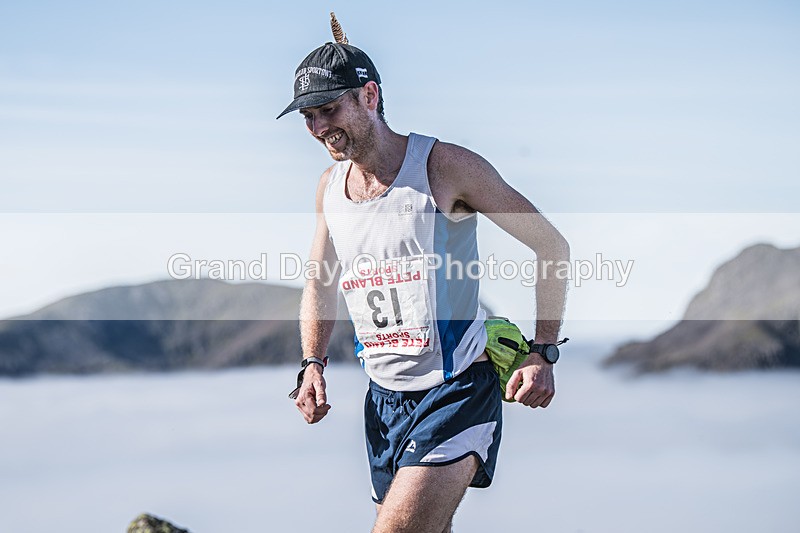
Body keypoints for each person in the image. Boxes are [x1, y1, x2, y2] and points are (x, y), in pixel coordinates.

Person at [277, 19, 569, 533]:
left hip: (457, 391)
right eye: (309, 116)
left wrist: (543, 350)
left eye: (329, 109)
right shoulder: (329, 187)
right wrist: (312, 363)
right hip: (383, 402)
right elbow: (321, 281)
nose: (319, 127)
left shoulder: (445, 166)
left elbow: (550, 245)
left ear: (370, 96)